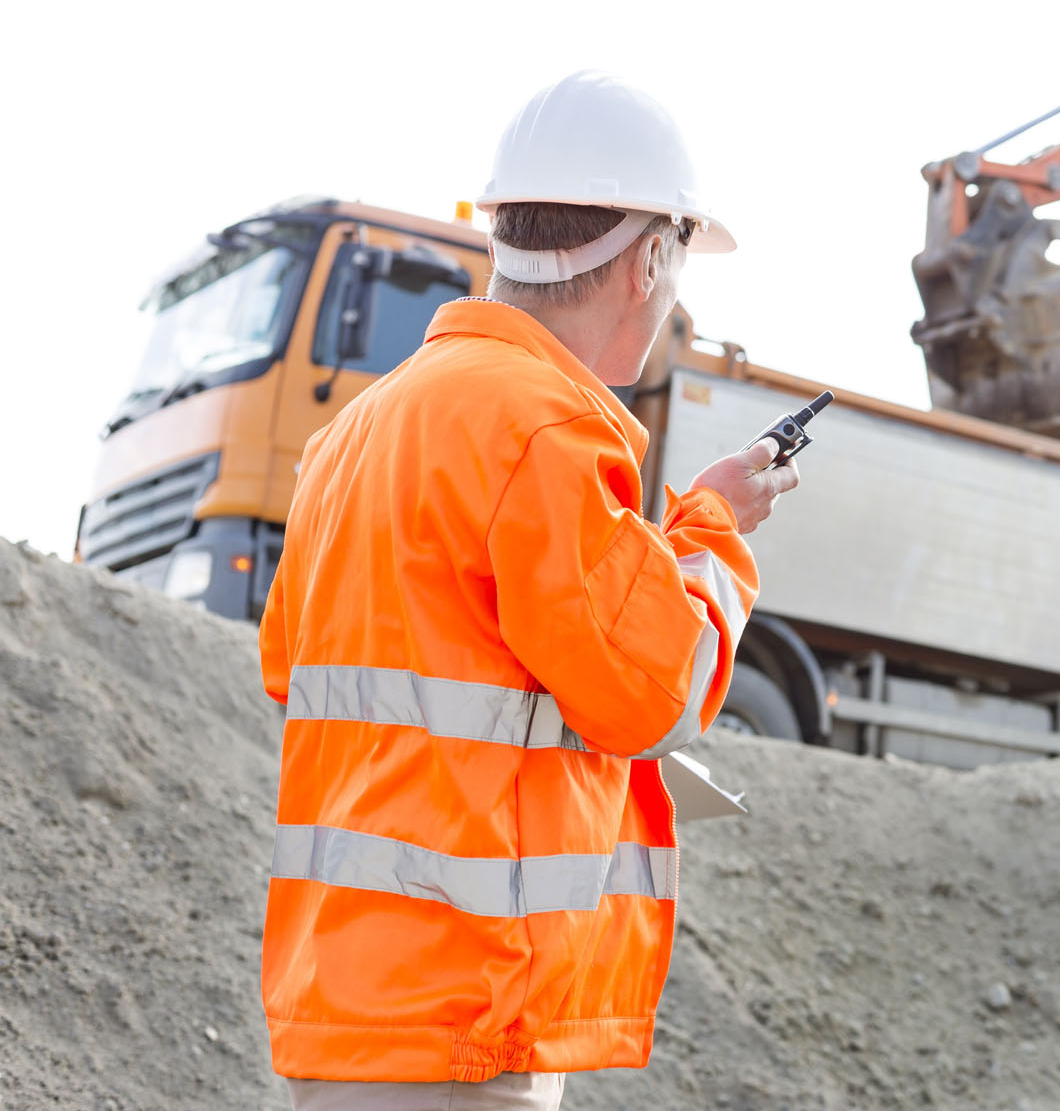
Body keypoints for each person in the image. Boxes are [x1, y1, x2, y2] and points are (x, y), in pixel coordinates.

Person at [258, 71, 798, 1109]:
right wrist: (713, 529)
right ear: (649, 258)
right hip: (464, 1014)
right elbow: (651, 694)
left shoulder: (355, 433)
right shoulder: (549, 426)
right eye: (679, 269)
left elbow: (301, 673)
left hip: (343, 1003)